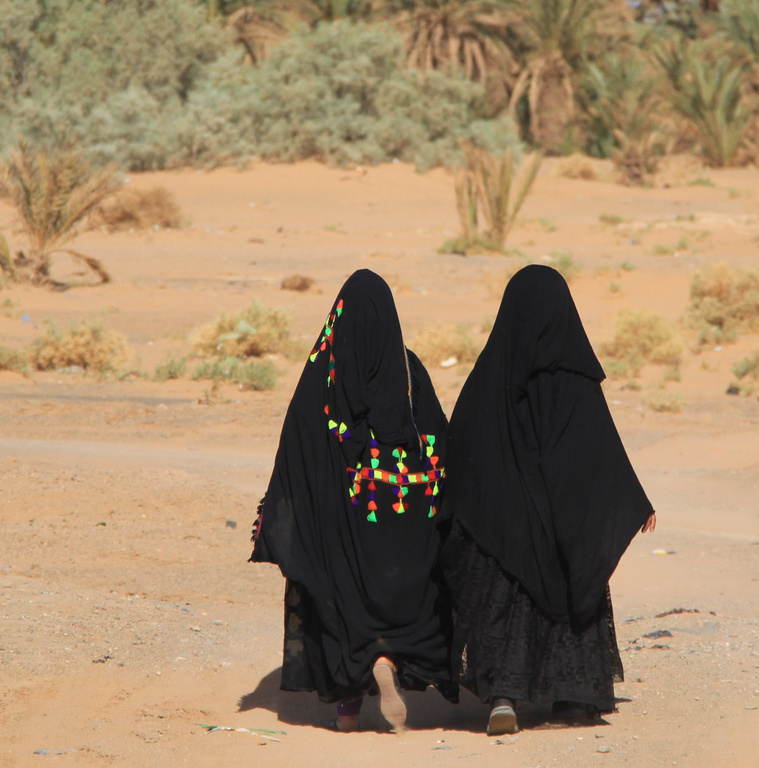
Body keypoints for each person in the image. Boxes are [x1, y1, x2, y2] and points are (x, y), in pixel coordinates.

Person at [442, 264, 655, 736]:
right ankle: (573, 699)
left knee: (503, 594)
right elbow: (594, 454)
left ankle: (503, 695)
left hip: (500, 525)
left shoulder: (487, 377)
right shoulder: (572, 379)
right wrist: (631, 502)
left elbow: (461, 456)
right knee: (571, 586)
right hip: (556, 526)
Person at [250, 269, 457, 732]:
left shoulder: (320, 375)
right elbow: (438, 439)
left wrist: (284, 518)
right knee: (402, 593)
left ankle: (347, 706)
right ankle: (388, 657)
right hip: (397, 512)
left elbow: (296, 453)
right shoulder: (408, 370)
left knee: (338, 595)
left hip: (340, 513)